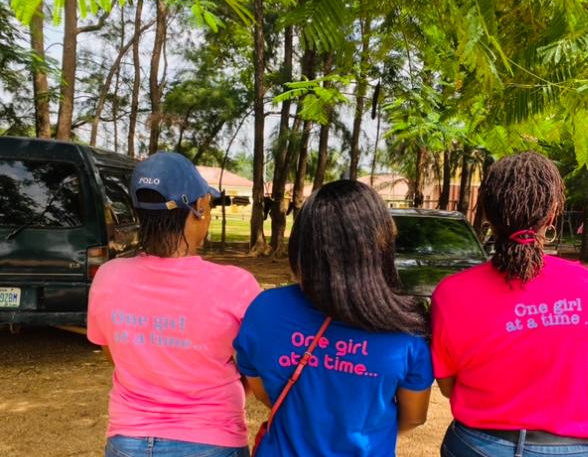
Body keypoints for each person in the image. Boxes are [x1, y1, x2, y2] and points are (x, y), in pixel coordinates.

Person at [431, 152, 588, 457]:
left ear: (488, 214)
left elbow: (447, 386)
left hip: (477, 446)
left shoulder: (449, 293)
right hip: (576, 449)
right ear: (551, 215)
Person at [234, 180, 433, 456]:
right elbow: (414, 417)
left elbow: (263, 390)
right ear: (381, 246)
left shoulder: (265, 310)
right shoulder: (405, 329)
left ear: (303, 245)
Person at [87, 152, 262, 457]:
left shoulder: (108, 277)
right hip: (212, 441)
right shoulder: (237, 285)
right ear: (199, 208)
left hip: (129, 441)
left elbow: (113, 353)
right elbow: (256, 371)